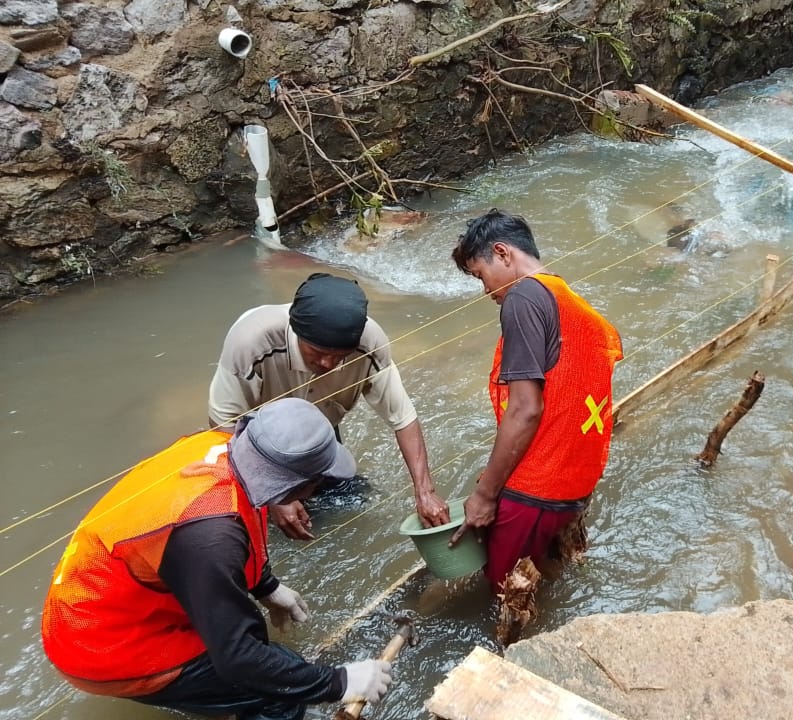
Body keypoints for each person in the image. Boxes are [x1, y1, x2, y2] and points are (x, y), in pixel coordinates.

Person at [41, 398, 393, 720]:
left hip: (95, 597)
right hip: (97, 644)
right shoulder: (211, 536)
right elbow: (238, 659)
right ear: (299, 488)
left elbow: (239, 516)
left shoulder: (222, 449)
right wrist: (340, 682)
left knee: (265, 657)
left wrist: (266, 585)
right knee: (280, 689)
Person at [447, 209, 623, 590]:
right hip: (576, 484)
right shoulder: (567, 297)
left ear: (503, 253)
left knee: (500, 589)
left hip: (537, 488)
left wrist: (483, 495)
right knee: (545, 577)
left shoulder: (523, 296)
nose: (487, 292)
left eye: (481, 275)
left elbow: (526, 409)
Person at [209, 272, 448, 539]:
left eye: (340, 357)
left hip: (319, 433)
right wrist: (274, 497)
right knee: (255, 527)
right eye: (318, 353)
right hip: (260, 445)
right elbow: (224, 427)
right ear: (297, 333)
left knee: (350, 503)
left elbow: (402, 418)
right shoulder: (250, 342)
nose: (328, 364)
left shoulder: (370, 343)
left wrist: (425, 492)